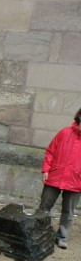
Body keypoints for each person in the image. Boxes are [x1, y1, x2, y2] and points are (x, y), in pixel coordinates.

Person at [38, 107, 81, 249]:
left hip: (76, 181)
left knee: (68, 211)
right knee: (44, 207)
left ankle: (62, 237)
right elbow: (50, 151)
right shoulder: (64, 132)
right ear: (79, 116)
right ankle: (37, 231)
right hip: (55, 175)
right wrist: (45, 169)